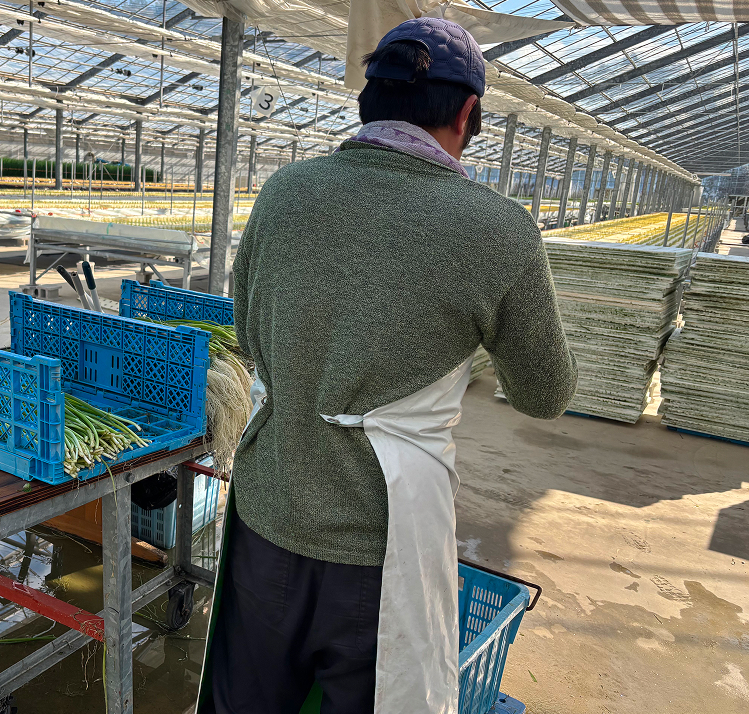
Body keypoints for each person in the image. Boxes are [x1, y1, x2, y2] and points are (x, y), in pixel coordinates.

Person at [198, 17, 578, 714]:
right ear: (468, 113)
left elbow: (248, 332)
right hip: (381, 547)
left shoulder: (286, 193)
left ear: (367, 101)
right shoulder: (499, 230)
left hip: (267, 515)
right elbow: (546, 392)